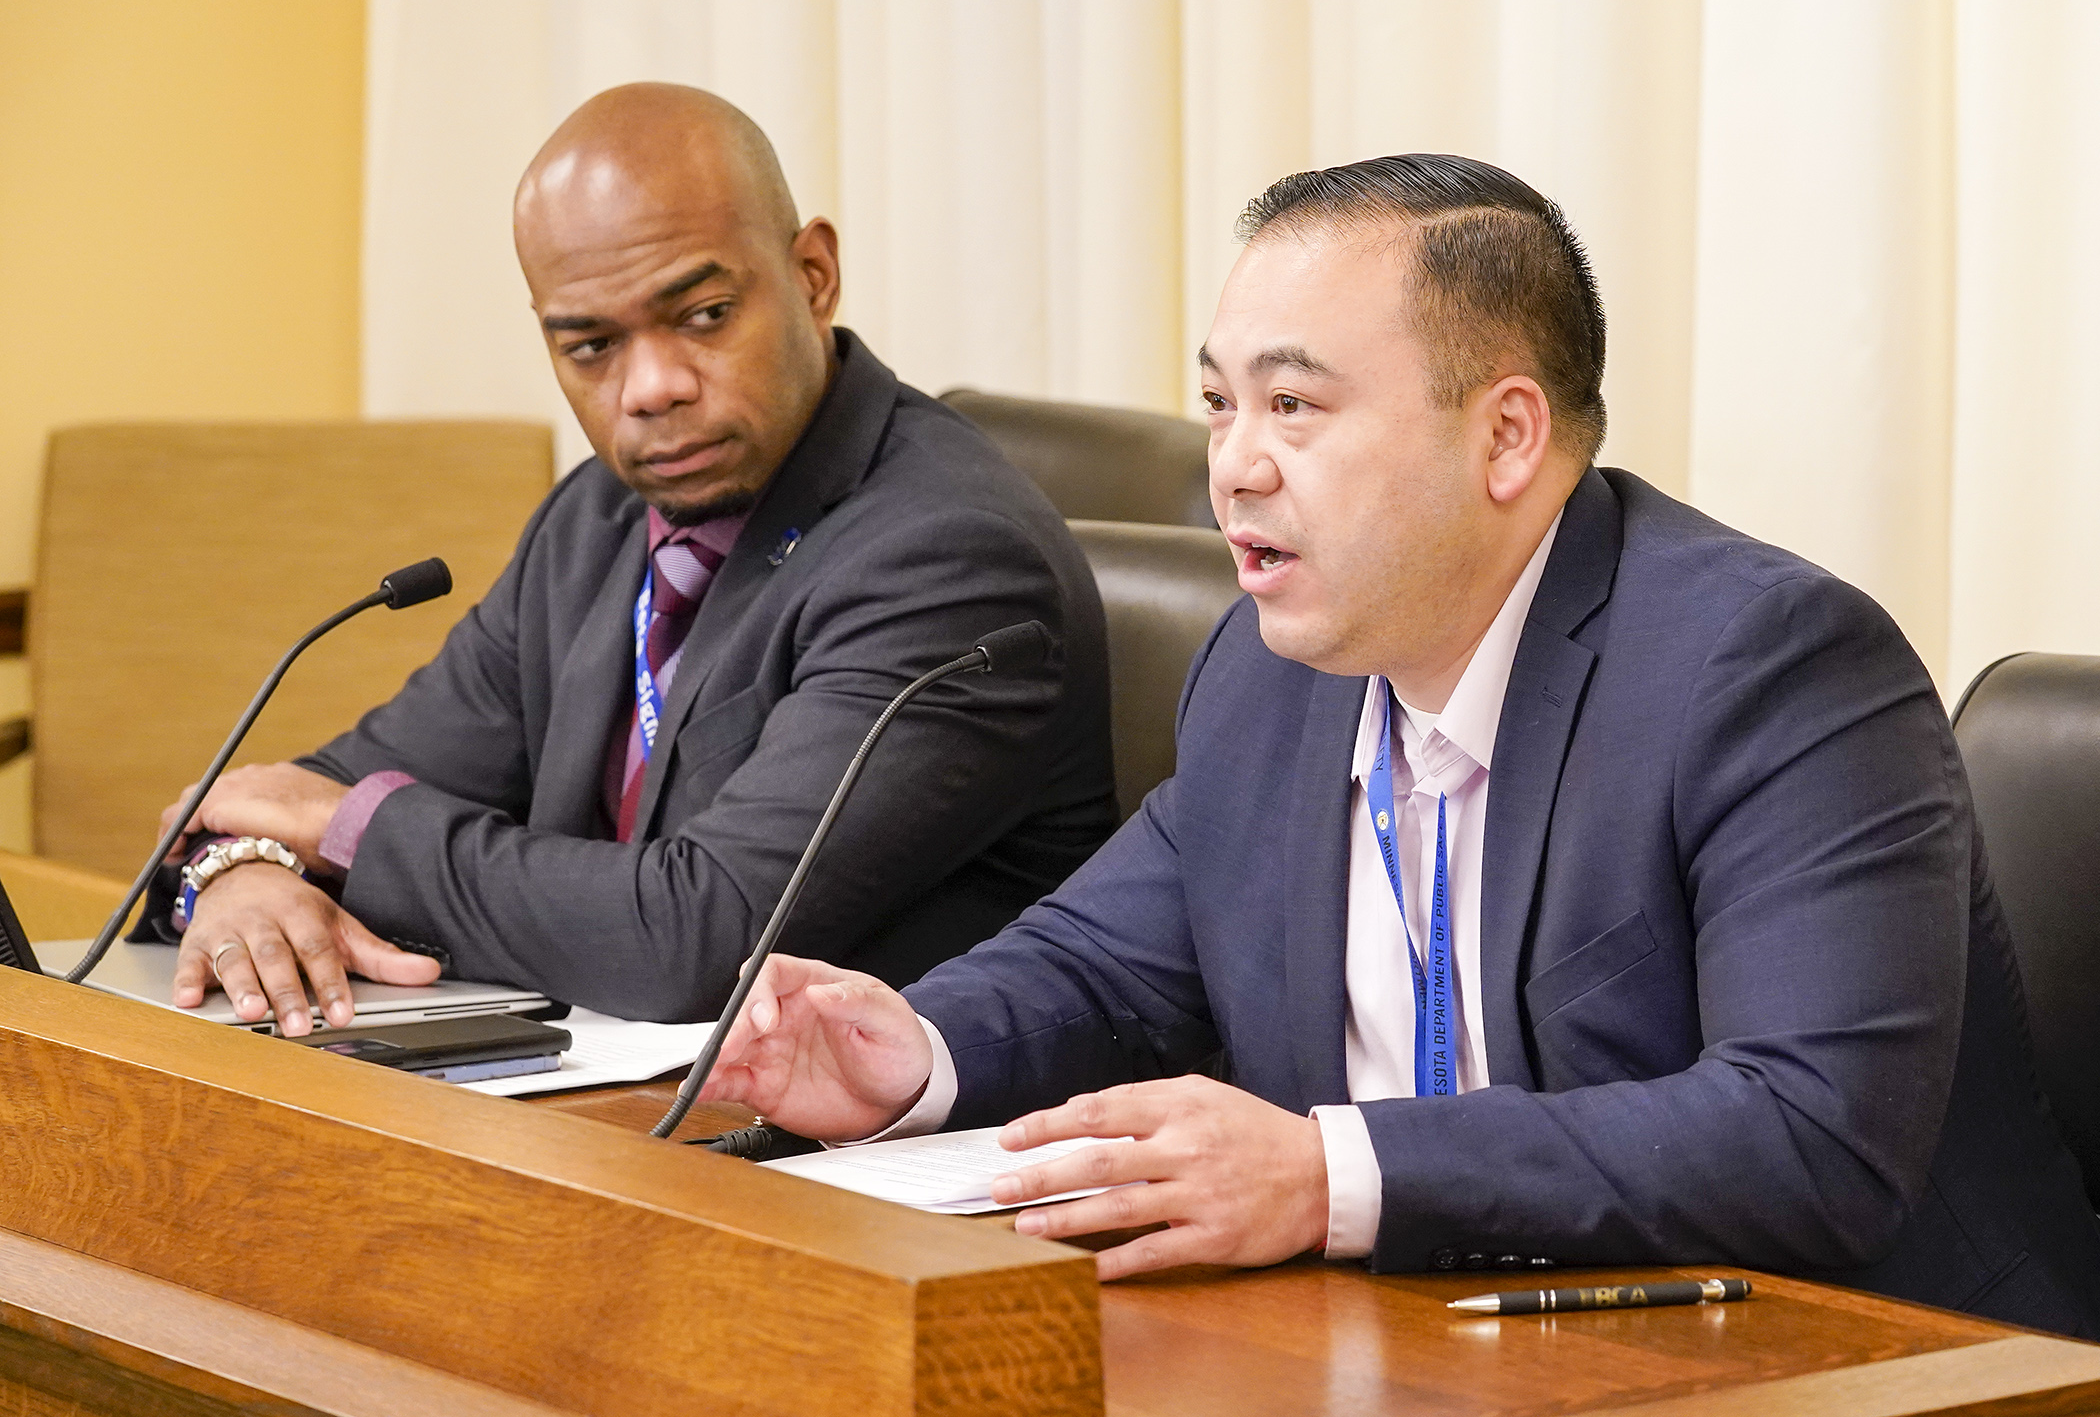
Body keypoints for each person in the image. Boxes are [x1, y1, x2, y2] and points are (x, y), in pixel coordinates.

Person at [698, 154, 2100, 1334]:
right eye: (1219, 403)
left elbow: (1812, 1134)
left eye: (1296, 406)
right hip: (1442, 1346)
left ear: (1504, 436)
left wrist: (1331, 1175)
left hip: (1874, 1361)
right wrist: (919, 1051)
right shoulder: (1269, 668)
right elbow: (1108, 956)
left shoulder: (1767, 670)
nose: (1235, 463)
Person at [147, 83, 1118, 1037]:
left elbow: (703, 941)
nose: (650, 389)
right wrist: (241, 878)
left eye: (702, 316)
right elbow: (290, 797)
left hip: (860, 1155)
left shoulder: (949, 558)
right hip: (606, 1104)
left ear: (813, 274)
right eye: (593, 346)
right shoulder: (598, 519)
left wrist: (348, 829)